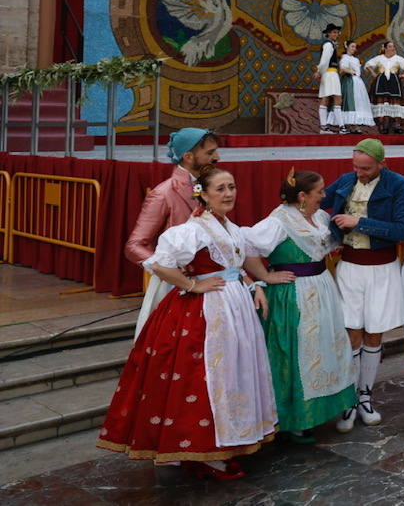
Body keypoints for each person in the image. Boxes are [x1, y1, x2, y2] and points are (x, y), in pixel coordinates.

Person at [98, 168, 275, 481]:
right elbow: (159, 263)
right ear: (202, 194)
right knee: (205, 377)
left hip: (234, 308)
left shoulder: (229, 226)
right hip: (206, 312)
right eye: (220, 189)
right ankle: (202, 450)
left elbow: (234, 266)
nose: (228, 194)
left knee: (231, 374)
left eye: (231, 187)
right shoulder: (192, 230)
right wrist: (192, 285)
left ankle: (226, 443)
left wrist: (253, 285)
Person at [244, 171, 355, 442]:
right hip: (293, 294)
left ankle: (325, 408)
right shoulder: (278, 221)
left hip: (322, 287)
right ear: (303, 196)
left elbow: (327, 242)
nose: (324, 195)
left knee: (325, 346)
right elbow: (245, 248)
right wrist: (266, 276)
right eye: (319, 191)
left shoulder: (319, 217)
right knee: (297, 351)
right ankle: (296, 417)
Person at [321, 139, 404, 430]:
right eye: (356, 167)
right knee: (352, 333)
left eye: (366, 168)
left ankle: (366, 397)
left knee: (374, 334)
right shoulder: (347, 180)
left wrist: (359, 222)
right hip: (350, 267)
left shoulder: (397, 184)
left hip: (382, 268)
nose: (360, 173)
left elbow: (401, 229)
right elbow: (318, 201)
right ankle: (349, 400)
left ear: (382, 164)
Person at [126, 128, 220, 338]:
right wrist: (171, 272)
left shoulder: (214, 188)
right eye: (210, 153)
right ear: (188, 156)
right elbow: (134, 246)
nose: (217, 157)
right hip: (178, 287)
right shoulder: (164, 193)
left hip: (214, 283)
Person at [365, 41, 404, 135]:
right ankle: (384, 126)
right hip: (381, 84)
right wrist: (373, 73)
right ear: (385, 48)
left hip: (394, 83)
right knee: (383, 103)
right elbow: (368, 65)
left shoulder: (398, 58)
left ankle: (396, 126)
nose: (392, 48)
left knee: (395, 103)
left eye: (393, 47)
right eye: (390, 47)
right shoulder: (379, 58)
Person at [337, 41, 375, 134]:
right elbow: (342, 67)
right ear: (347, 47)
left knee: (358, 102)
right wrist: (351, 72)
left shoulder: (355, 59)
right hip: (349, 82)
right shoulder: (345, 57)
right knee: (350, 102)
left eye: (355, 47)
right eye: (352, 46)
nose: (354, 48)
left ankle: (355, 125)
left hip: (357, 82)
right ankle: (349, 125)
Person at [315, 22, 343, 133]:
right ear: (329, 34)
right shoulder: (328, 45)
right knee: (334, 98)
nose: (336, 34)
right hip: (329, 73)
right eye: (334, 32)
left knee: (328, 98)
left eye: (337, 32)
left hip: (331, 73)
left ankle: (325, 126)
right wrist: (320, 71)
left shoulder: (331, 44)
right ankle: (339, 126)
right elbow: (324, 60)